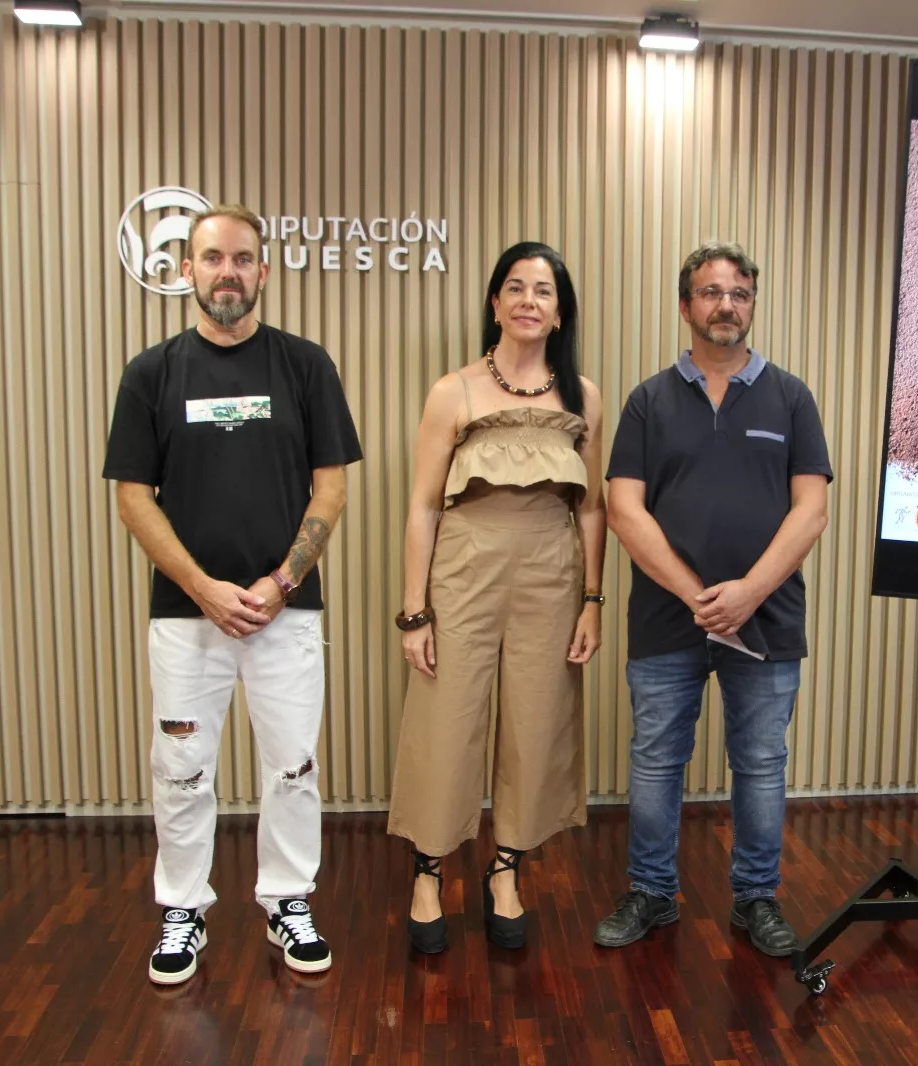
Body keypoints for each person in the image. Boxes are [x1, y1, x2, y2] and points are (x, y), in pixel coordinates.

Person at [102, 205, 362, 986]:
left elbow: (332, 489)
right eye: (212, 258)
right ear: (187, 270)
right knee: (181, 768)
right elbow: (132, 497)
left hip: (284, 614)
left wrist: (282, 582)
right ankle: (182, 908)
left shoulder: (305, 365)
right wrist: (203, 588)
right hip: (188, 620)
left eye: (243, 259)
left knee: (293, 767)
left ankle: (288, 899)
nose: (227, 272)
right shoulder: (151, 373)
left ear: (263, 271)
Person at [593, 240, 831, 957]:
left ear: (751, 305)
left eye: (739, 293)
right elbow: (623, 510)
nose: (725, 305)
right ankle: (652, 893)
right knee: (657, 759)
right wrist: (701, 595)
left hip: (767, 621)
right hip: (669, 616)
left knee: (760, 763)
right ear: (685, 304)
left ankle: (756, 899)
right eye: (711, 292)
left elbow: (811, 510)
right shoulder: (648, 401)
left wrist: (748, 593)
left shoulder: (790, 397)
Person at [387, 241, 606, 954]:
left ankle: (506, 869)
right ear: (494, 302)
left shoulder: (583, 396)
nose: (528, 301)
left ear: (559, 310)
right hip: (465, 571)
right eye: (515, 287)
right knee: (446, 721)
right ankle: (428, 872)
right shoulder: (453, 391)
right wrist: (414, 611)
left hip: (551, 574)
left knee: (535, 724)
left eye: (543, 291)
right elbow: (422, 506)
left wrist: (592, 599)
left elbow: (593, 509)